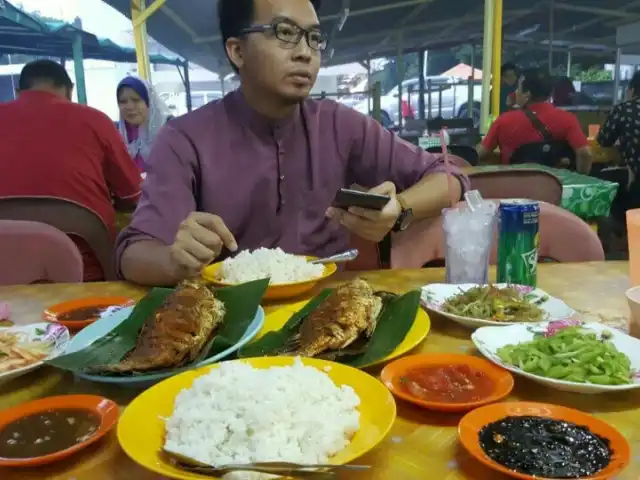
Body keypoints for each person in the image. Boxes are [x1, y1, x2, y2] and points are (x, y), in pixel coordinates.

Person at [115, 0, 469, 287]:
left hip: (332, 316)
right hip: (227, 325)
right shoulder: (185, 138)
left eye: (314, 39)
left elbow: (453, 176)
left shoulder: (338, 123)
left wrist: (401, 210)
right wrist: (173, 260)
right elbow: (133, 252)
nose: (305, 53)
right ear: (237, 51)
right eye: (284, 33)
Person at [0, 60, 142, 281]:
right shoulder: (95, 120)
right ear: (69, 90)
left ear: (19, 92)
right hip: (88, 274)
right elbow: (132, 195)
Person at [478, 68, 592, 173]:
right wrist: (580, 177)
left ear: (527, 94)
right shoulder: (568, 119)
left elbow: (481, 154)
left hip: (513, 189)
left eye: (518, 88)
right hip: (555, 190)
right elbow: (585, 153)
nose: (516, 92)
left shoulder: (504, 121)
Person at [597, 71, 640, 225]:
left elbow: (604, 140)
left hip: (634, 179)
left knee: (599, 176)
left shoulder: (624, 109)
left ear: (632, 89)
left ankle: (618, 230)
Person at [116, 76, 171, 171]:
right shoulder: (116, 134)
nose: (129, 107)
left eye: (136, 100)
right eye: (123, 102)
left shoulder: (169, 130)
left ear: (149, 102)